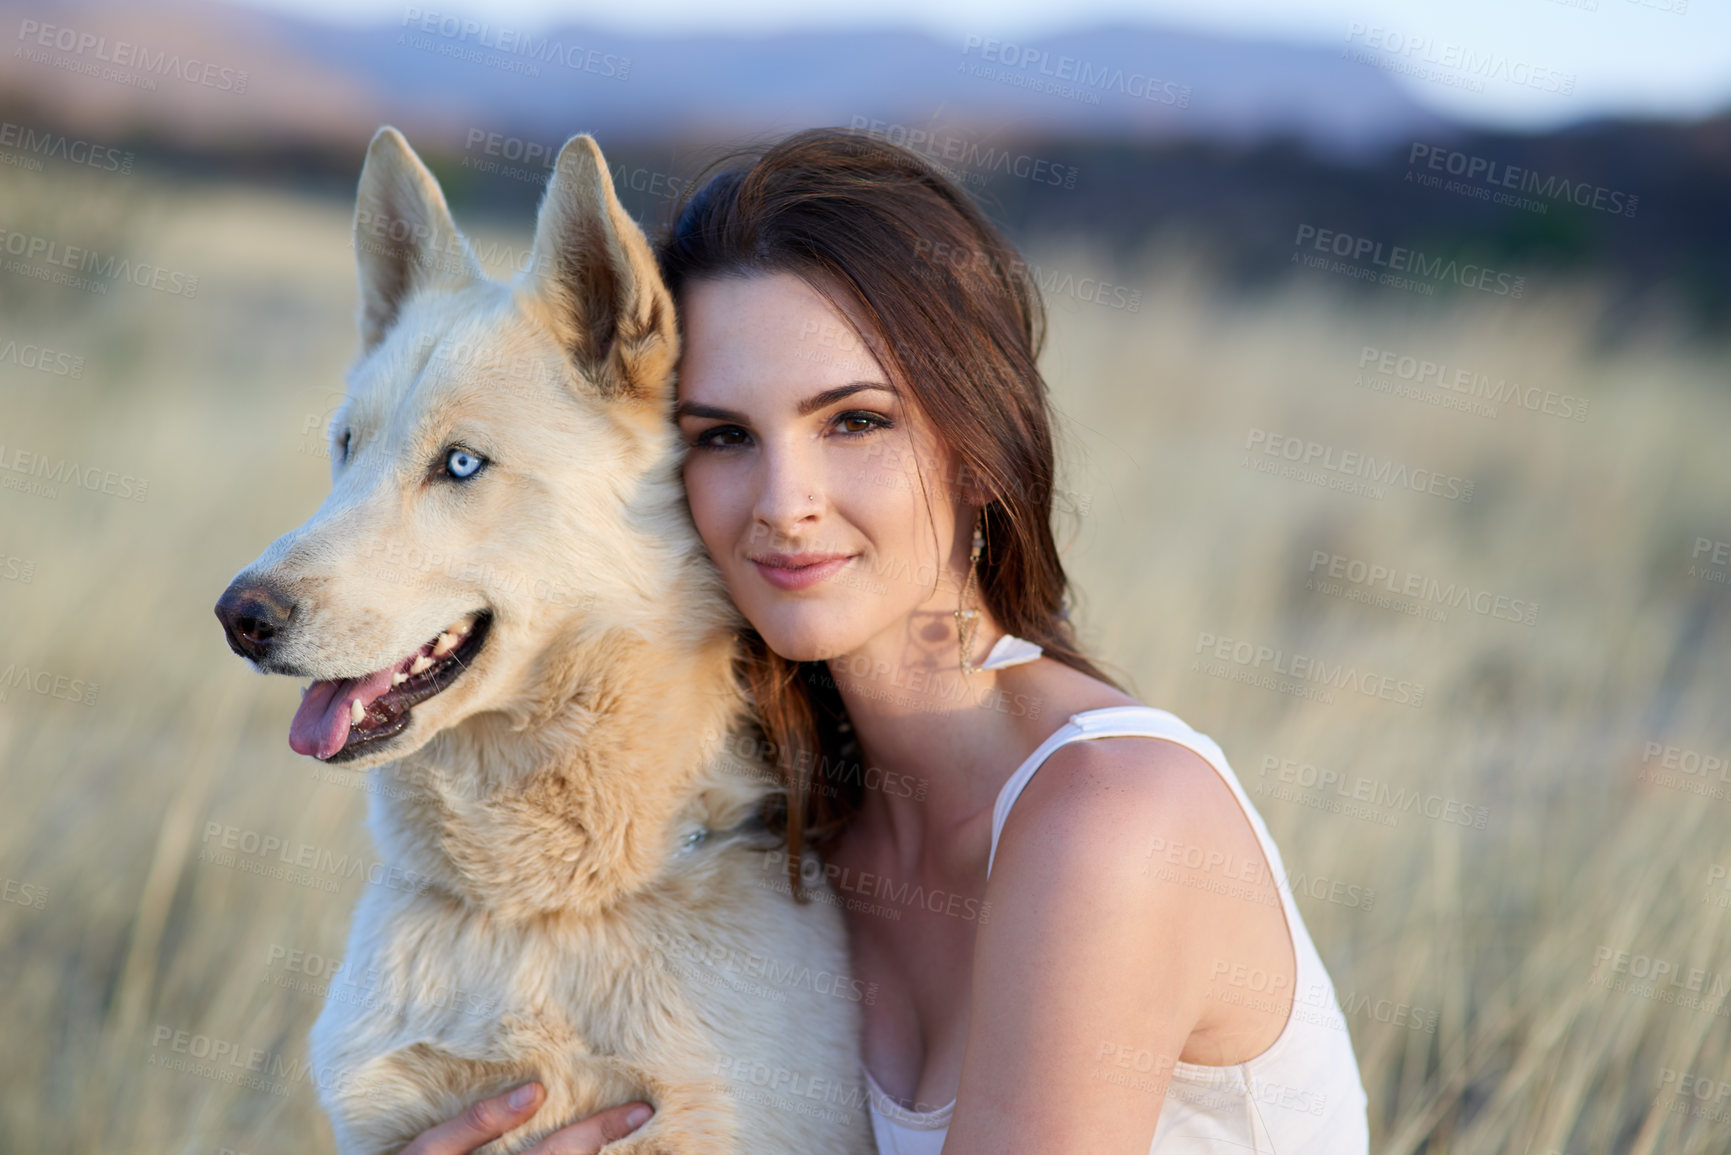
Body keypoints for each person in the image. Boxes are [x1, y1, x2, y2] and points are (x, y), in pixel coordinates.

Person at [404, 128, 1369, 1155]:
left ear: (978, 444)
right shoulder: (796, 831)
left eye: (855, 422)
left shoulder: (1112, 820)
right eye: (723, 437)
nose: (785, 504)